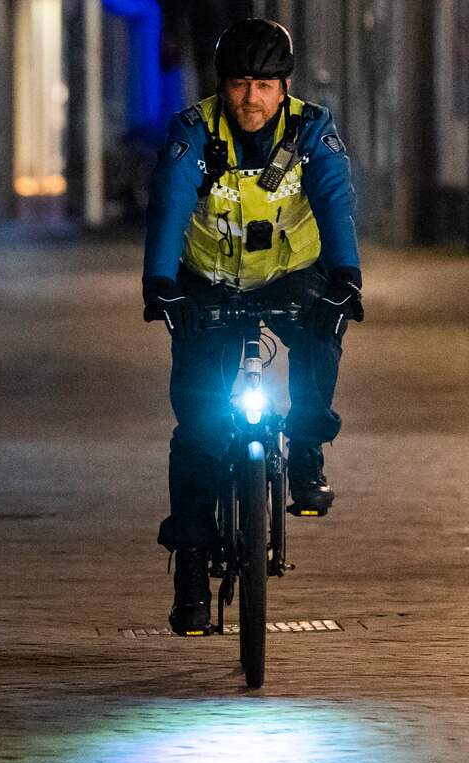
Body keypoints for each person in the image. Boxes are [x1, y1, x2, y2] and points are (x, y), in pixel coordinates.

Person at [142, 19, 363, 636]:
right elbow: (170, 203)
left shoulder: (311, 128)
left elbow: (335, 198)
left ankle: (306, 451)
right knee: (198, 428)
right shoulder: (194, 131)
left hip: (290, 272)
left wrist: (347, 277)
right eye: (240, 84)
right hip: (206, 280)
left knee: (323, 330)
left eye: (265, 85)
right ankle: (191, 567)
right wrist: (159, 283)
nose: (251, 99)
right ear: (223, 87)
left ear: (284, 87)